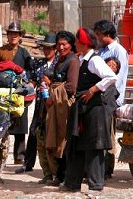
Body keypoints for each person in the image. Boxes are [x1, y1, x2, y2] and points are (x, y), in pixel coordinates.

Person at [60, 27, 117, 197]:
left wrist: (93, 89)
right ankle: (72, 183)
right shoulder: (81, 59)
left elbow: (111, 77)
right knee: (76, 145)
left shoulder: (95, 60)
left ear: (84, 43)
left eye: (77, 41)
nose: (75, 44)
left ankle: (96, 186)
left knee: (94, 147)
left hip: (95, 110)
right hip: (82, 110)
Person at [15, 33, 59, 181]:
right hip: (40, 104)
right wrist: (27, 88)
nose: (46, 51)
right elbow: (33, 81)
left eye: (49, 48)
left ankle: (54, 168)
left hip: (54, 105)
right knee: (34, 131)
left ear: (55, 49)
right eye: (44, 48)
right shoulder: (38, 64)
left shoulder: (59, 63)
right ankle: (28, 163)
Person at [0, 21, 33, 164]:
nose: (13, 36)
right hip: (3, 88)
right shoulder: (0, 51)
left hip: (18, 89)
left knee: (20, 120)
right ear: (8, 35)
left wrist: (28, 82)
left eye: (16, 34)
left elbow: (30, 70)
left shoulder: (24, 52)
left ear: (20, 36)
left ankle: (19, 155)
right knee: (1, 117)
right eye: (11, 34)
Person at [93, 19, 129, 178]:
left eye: (98, 34)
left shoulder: (118, 51)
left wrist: (115, 101)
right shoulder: (101, 50)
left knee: (108, 134)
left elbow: (119, 79)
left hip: (110, 99)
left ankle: (107, 169)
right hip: (99, 98)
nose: (97, 37)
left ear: (106, 34)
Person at [45, 31, 80, 186]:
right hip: (56, 105)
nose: (60, 47)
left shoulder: (73, 61)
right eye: (58, 44)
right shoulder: (60, 60)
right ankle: (58, 175)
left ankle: (66, 177)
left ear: (71, 45)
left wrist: (53, 96)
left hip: (64, 106)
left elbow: (72, 86)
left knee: (64, 139)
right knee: (56, 137)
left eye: (64, 44)